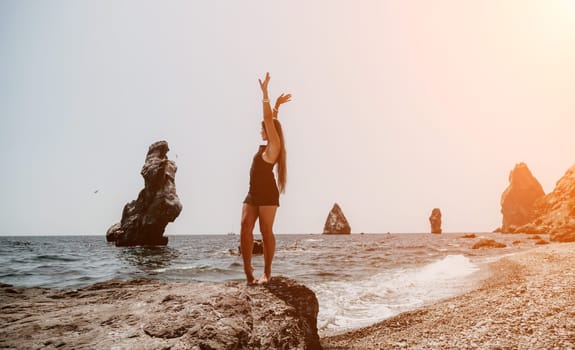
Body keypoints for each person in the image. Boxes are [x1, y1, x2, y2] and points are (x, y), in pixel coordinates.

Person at [240, 72, 291, 285]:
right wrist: (277, 107)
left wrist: (266, 94)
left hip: (268, 194)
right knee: (245, 227)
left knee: (265, 230)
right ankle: (248, 270)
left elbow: (270, 122)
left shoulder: (274, 147)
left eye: (263, 128)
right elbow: (273, 122)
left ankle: (267, 271)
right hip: (253, 193)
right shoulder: (269, 145)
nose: (261, 129)